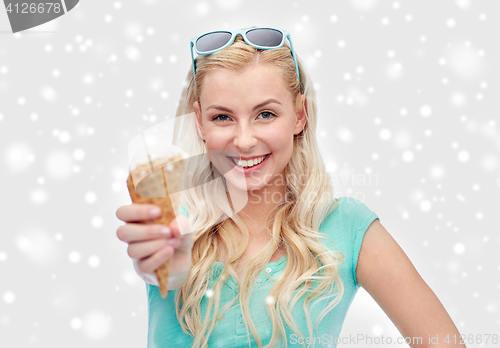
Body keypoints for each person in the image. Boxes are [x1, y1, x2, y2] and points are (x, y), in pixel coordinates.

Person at [116, 27, 465, 348]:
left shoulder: (347, 227)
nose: (244, 139)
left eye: (265, 114)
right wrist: (163, 264)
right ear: (200, 123)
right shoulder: (173, 218)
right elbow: (161, 267)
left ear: (300, 115)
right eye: (222, 117)